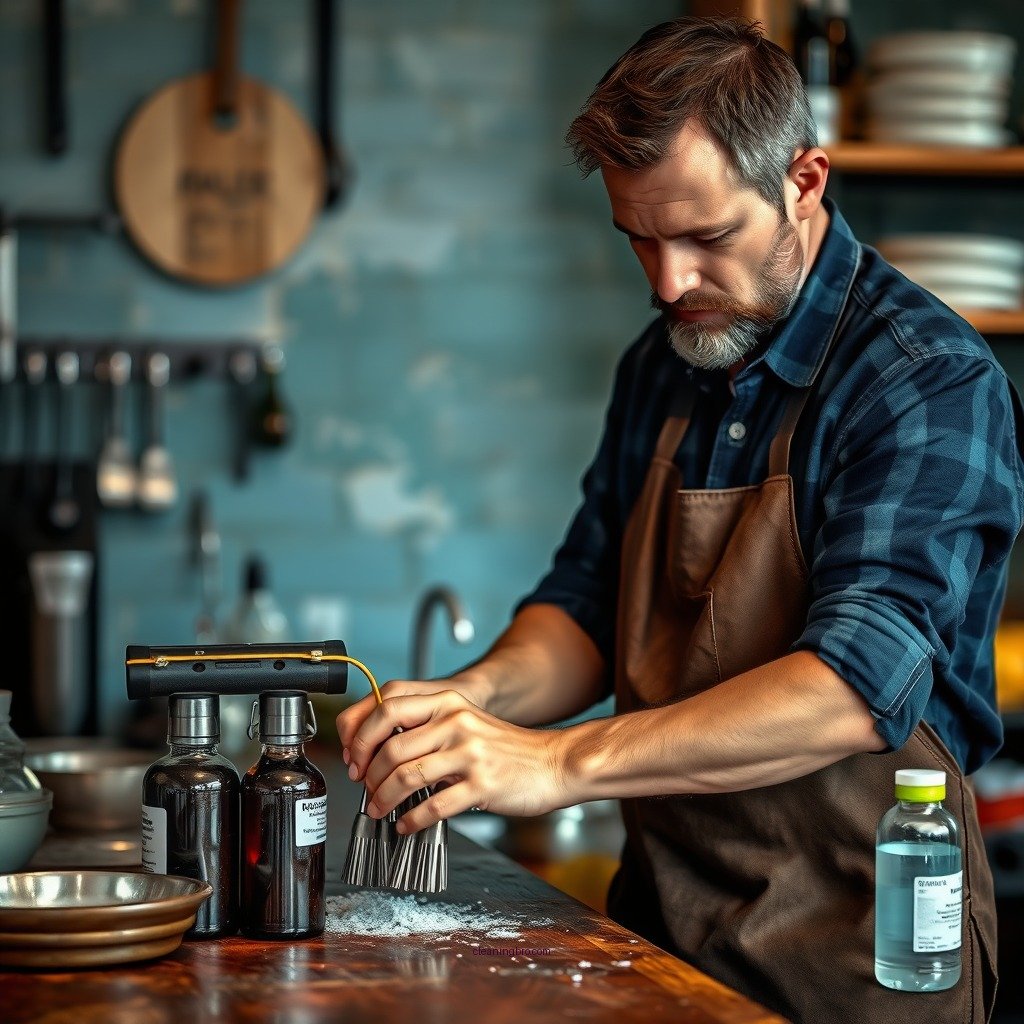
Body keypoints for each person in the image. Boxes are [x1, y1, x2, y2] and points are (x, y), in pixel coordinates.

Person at [337, 17, 1024, 1023]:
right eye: (639, 240)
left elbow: (854, 685)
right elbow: (584, 601)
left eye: (705, 238)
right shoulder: (664, 363)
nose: (668, 283)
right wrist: (467, 708)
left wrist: (556, 761)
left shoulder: (922, 381)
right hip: (658, 940)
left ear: (803, 181)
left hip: (858, 962)